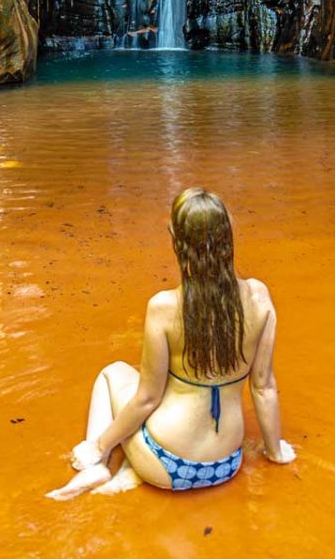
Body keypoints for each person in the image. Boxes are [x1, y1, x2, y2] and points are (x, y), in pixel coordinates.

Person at [46, 187, 295, 500]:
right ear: (228, 237)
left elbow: (147, 398)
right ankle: (123, 469)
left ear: (177, 242)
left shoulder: (164, 307)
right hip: (226, 464)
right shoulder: (259, 297)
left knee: (113, 373)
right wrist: (276, 451)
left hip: (165, 462)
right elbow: (264, 387)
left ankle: (97, 465)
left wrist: (99, 446)